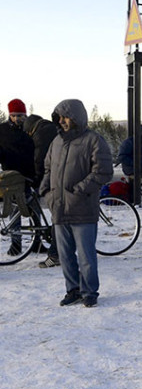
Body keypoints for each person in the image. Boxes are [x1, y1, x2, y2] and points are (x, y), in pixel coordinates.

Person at [39, 99, 113, 308]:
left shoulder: (94, 140)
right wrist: (46, 191)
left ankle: (89, 291)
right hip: (59, 209)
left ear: (76, 117)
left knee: (86, 255)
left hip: (82, 209)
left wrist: (79, 190)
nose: (61, 121)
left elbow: (103, 172)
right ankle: (72, 289)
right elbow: (47, 169)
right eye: (59, 118)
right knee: (64, 255)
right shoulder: (56, 142)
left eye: (65, 117)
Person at [23, 114, 61, 268]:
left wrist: (37, 177)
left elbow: (40, 159)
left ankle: (55, 252)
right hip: (55, 179)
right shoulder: (48, 130)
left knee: (58, 217)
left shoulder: (42, 133)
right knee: (58, 217)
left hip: (51, 178)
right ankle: (55, 253)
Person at [0, 99, 36, 258]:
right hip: (12, 176)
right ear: (10, 115)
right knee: (15, 210)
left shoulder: (29, 129)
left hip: (31, 174)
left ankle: (38, 243)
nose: (18, 119)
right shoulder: (2, 130)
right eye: (15, 115)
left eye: (21, 115)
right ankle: (16, 244)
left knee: (34, 208)